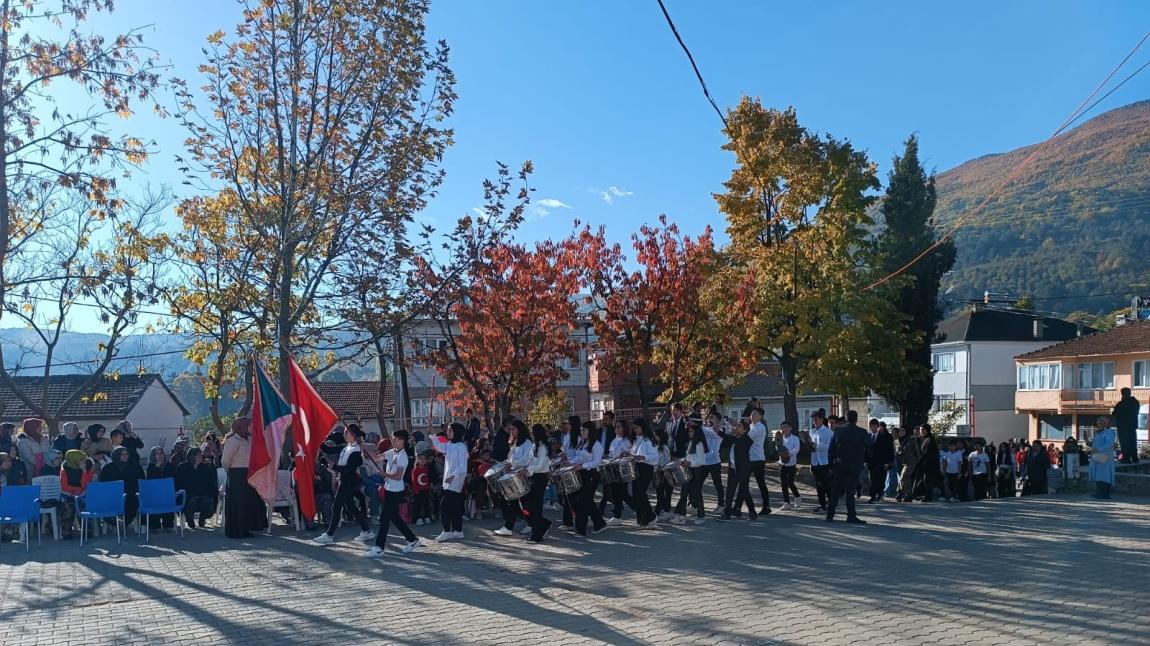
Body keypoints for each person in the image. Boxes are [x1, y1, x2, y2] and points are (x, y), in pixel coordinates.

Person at [365, 430, 422, 558]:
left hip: (396, 491)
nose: (393, 440)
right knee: (394, 518)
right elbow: (377, 457)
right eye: (393, 438)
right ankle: (413, 540)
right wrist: (365, 449)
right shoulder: (391, 452)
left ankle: (379, 547)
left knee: (385, 519)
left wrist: (385, 474)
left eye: (396, 439)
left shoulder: (403, 457)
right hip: (389, 489)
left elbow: (398, 476)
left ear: (403, 441)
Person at [312, 426, 372, 545]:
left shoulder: (356, 451)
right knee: (351, 507)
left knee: (336, 507)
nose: (344, 434)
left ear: (354, 434)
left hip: (348, 481)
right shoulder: (347, 447)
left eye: (347, 432)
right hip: (344, 481)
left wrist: (334, 467)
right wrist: (318, 439)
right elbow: (328, 450)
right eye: (344, 432)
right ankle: (366, 529)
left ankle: (329, 535)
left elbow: (348, 469)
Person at [221, 417, 268, 539]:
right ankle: (236, 530)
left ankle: (247, 528)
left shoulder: (250, 440)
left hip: (249, 473)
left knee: (248, 502)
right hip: (236, 474)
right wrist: (231, 472)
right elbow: (225, 460)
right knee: (238, 503)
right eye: (248, 426)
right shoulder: (232, 440)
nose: (250, 428)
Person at [825, 410, 868, 524]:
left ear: (847, 418)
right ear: (856, 419)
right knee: (850, 491)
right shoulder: (862, 432)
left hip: (840, 464)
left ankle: (830, 514)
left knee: (836, 489)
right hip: (854, 465)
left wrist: (831, 465)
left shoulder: (838, 431)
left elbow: (831, 449)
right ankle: (851, 515)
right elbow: (870, 446)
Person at [496, 420, 534, 537]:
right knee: (514, 502)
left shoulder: (527, 443)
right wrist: (505, 464)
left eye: (513, 429)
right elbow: (510, 458)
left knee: (524, 503)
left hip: (522, 476)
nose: (511, 432)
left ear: (520, 430)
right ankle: (511, 526)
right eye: (510, 429)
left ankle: (532, 524)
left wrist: (512, 464)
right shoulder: (515, 443)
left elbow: (525, 460)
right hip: (515, 475)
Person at [571, 421, 608, 536]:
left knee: (584, 502)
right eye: (581, 430)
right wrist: (569, 462)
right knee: (587, 501)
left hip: (592, 475)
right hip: (582, 474)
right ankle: (599, 523)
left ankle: (581, 529)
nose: (581, 432)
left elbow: (597, 462)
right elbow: (578, 457)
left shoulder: (597, 445)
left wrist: (583, 466)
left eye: (584, 430)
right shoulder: (582, 442)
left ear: (590, 431)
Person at [432, 422, 468, 541]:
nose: (448, 432)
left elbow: (462, 465)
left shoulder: (461, 447)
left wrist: (453, 476)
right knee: (454, 505)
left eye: (450, 431)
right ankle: (458, 530)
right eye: (448, 430)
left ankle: (446, 530)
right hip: (449, 479)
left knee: (444, 506)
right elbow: (440, 448)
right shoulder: (450, 444)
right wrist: (432, 436)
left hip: (456, 479)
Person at [671, 421, 709, 526]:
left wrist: (690, 463)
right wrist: (683, 461)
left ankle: (701, 516)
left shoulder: (699, 444)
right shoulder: (691, 442)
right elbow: (690, 457)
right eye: (689, 431)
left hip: (696, 471)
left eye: (692, 431)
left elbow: (701, 460)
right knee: (684, 493)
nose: (689, 433)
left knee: (696, 493)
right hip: (689, 470)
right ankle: (681, 516)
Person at [99, 447, 146, 530]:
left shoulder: (135, 467)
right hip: (112, 497)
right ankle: (113, 522)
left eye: (127, 454)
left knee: (131, 502)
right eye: (122, 454)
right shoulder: (108, 468)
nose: (125, 456)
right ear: (116, 455)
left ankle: (124, 523)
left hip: (131, 495)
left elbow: (141, 483)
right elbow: (103, 485)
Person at [523, 424, 555, 542]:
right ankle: (544, 524)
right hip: (532, 476)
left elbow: (541, 466)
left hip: (540, 478)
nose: (530, 435)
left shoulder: (544, 447)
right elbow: (528, 460)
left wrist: (528, 469)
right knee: (530, 506)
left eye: (532, 433)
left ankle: (537, 535)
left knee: (536, 507)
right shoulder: (534, 446)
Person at [720, 420, 756, 521]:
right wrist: (730, 433)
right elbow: (724, 444)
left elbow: (733, 441)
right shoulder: (735, 437)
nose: (736, 427)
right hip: (732, 468)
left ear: (745, 430)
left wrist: (719, 431)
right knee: (730, 491)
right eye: (737, 426)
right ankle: (727, 513)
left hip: (742, 469)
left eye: (739, 426)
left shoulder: (746, 439)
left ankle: (752, 511)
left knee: (744, 490)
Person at [174, 447, 218, 528]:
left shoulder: (205, 467)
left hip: (203, 494)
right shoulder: (182, 467)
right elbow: (179, 483)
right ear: (191, 456)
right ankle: (189, 518)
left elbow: (211, 483)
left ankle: (202, 517)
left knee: (209, 501)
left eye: (201, 455)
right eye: (197, 455)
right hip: (189, 495)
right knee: (191, 501)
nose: (200, 457)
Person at [627, 418, 658, 529]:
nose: (635, 430)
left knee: (640, 493)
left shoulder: (648, 440)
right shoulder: (635, 439)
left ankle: (650, 517)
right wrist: (628, 453)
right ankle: (642, 520)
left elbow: (655, 457)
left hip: (646, 468)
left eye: (637, 428)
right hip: (637, 467)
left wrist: (644, 457)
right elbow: (634, 453)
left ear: (643, 427)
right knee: (636, 494)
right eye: (634, 428)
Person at [603, 418, 634, 525]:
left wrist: (624, 454)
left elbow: (629, 454)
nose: (616, 428)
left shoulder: (627, 441)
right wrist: (606, 457)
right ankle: (618, 515)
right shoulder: (614, 440)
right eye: (616, 426)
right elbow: (612, 454)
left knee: (622, 493)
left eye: (619, 426)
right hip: (613, 469)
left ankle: (636, 509)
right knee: (615, 493)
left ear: (624, 428)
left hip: (622, 469)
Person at [59, 450, 94, 538]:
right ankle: (67, 532)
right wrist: (77, 489)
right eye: (81, 460)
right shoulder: (65, 470)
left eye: (84, 459)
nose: (84, 462)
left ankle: (87, 531)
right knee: (68, 507)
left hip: (83, 495)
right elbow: (64, 487)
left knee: (83, 505)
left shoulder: (88, 467)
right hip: (68, 495)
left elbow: (85, 485)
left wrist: (84, 472)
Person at [145, 447, 176, 531]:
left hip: (167, 493)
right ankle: (154, 526)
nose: (160, 456)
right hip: (154, 493)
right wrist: (157, 467)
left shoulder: (169, 466)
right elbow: (150, 481)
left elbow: (173, 479)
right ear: (153, 456)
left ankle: (168, 524)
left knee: (167, 499)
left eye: (161, 453)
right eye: (157, 454)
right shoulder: (150, 467)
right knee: (154, 500)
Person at [808, 411, 833, 514]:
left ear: (822, 419)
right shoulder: (811, 431)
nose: (815, 422)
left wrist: (816, 446)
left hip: (824, 462)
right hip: (815, 461)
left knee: (825, 484)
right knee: (818, 485)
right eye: (813, 420)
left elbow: (829, 447)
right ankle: (821, 505)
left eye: (816, 420)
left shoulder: (828, 432)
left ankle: (832, 503)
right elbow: (811, 447)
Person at [701, 413, 726, 514]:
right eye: (709, 417)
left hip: (714, 461)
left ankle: (721, 505)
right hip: (704, 461)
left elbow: (710, 432)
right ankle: (693, 503)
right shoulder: (705, 428)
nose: (710, 419)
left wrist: (703, 426)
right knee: (697, 483)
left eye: (713, 417)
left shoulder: (720, 430)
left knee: (718, 484)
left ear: (718, 421)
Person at [1088, 415, 1117, 499]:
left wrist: (1098, 449)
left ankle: (1104, 494)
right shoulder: (1099, 433)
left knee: (1105, 475)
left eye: (1101, 423)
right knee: (1097, 474)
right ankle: (1099, 492)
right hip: (1097, 457)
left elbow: (1109, 444)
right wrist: (1087, 441)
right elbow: (1093, 444)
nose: (1098, 424)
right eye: (1098, 423)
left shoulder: (1109, 432)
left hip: (1105, 457)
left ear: (1105, 423)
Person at [866, 419, 894, 503]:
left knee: (881, 480)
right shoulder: (868, 436)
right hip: (871, 463)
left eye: (874, 426)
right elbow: (865, 450)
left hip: (882, 462)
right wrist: (865, 460)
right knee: (872, 479)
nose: (872, 428)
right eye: (871, 426)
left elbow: (889, 451)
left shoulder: (883, 437)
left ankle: (879, 495)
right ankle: (873, 496)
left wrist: (888, 462)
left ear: (878, 427)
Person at [776, 421, 801, 509]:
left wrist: (788, 453)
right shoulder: (780, 438)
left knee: (790, 482)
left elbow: (796, 449)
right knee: (783, 484)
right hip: (782, 463)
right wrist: (781, 452)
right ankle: (786, 502)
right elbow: (777, 447)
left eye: (787, 427)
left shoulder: (795, 438)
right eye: (783, 427)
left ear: (791, 428)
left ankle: (797, 497)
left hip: (791, 463)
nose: (785, 429)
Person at [1111, 387, 1140, 463]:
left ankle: (1126, 459)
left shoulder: (1121, 404)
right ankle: (1135, 458)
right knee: (1133, 441)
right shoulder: (1135, 402)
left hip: (1122, 426)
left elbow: (1115, 414)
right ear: (1129, 393)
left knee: (1124, 443)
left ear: (1122, 394)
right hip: (1132, 426)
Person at [653, 427, 675, 522]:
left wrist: (662, 466)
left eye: (656, 435)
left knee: (663, 492)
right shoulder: (657, 446)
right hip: (658, 472)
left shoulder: (664, 447)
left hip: (664, 472)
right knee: (659, 492)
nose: (654, 437)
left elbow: (668, 460)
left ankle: (663, 510)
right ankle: (661, 509)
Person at [894, 426, 919, 502]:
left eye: (903, 431)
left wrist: (917, 461)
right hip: (901, 462)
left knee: (903, 477)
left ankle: (899, 492)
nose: (901, 432)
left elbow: (916, 451)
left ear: (906, 432)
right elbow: (897, 453)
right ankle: (908, 496)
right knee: (906, 480)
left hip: (910, 462)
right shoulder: (896, 441)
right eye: (900, 431)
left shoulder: (911, 440)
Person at [411, 453, 433, 526]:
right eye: (421, 459)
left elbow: (428, 478)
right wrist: (415, 490)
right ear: (418, 460)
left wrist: (429, 487)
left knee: (426, 503)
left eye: (424, 459)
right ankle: (418, 518)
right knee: (418, 504)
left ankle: (427, 516)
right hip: (418, 491)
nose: (423, 460)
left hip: (426, 489)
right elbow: (414, 481)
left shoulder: (427, 468)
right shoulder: (415, 470)